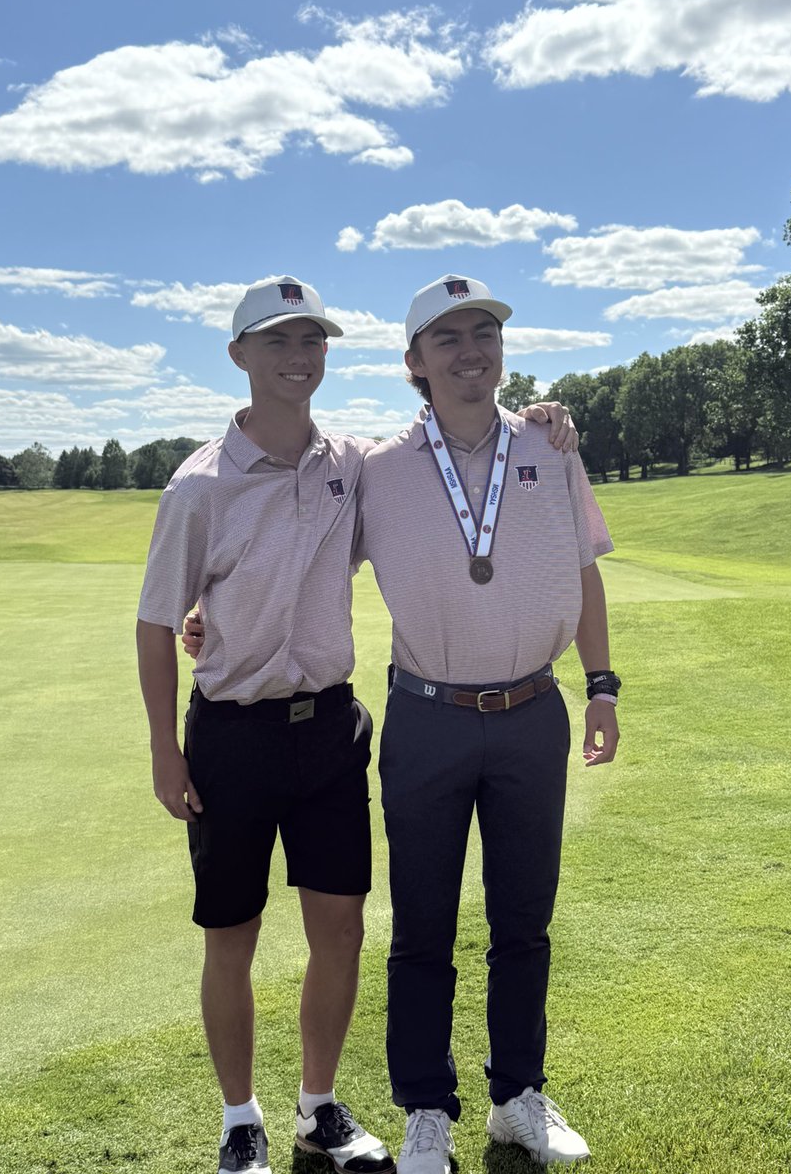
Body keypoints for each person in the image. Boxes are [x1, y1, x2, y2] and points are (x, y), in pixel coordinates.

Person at [138, 274, 576, 1174]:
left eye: (312, 342)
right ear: (240, 357)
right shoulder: (198, 486)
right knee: (234, 933)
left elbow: (452, 477)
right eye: (277, 343)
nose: (299, 359)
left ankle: (319, 1109)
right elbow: (157, 621)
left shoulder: (351, 465)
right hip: (229, 731)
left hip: (332, 729)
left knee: (340, 929)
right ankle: (239, 1122)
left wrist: (547, 418)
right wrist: (162, 745)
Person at [355, 274, 620, 1173]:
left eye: (486, 334)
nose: (473, 352)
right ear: (415, 365)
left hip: (530, 713)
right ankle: (427, 1108)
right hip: (426, 717)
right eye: (449, 339)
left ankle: (517, 1098)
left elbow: (584, 572)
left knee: (524, 921)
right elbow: (309, 558)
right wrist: (213, 621)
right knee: (423, 925)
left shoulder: (550, 446)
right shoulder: (378, 471)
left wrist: (603, 685)